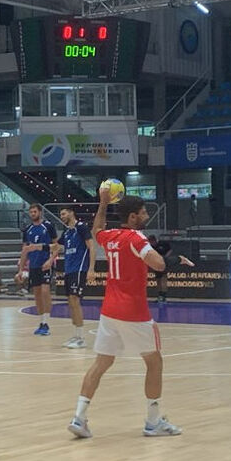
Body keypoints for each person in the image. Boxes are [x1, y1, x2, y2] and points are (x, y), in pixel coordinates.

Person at [67, 188, 195, 440]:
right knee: (154, 362)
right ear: (133, 217)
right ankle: (153, 422)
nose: (147, 215)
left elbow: (97, 229)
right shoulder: (137, 239)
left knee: (101, 363)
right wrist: (177, 260)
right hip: (134, 312)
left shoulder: (111, 237)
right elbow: (158, 264)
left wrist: (103, 203)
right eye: (144, 212)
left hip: (109, 311)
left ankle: (79, 418)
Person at [56, 207, 96, 349]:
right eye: (60, 214)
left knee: (75, 299)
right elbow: (56, 247)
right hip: (68, 270)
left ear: (71, 213)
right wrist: (38, 247)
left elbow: (92, 247)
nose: (62, 216)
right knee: (71, 302)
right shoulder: (67, 232)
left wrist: (91, 269)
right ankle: (76, 335)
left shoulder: (81, 227)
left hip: (79, 269)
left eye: (64, 213)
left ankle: (81, 338)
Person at [17, 203, 58, 336]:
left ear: (40, 212)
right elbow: (24, 251)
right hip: (33, 265)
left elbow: (57, 245)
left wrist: (50, 260)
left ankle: (46, 322)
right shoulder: (28, 230)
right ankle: (41, 323)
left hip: (45, 264)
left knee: (45, 291)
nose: (33, 214)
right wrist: (20, 270)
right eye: (31, 212)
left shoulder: (48, 226)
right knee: (37, 294)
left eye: (35, 212)